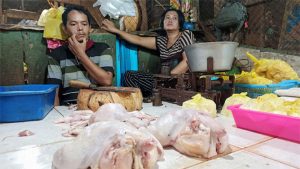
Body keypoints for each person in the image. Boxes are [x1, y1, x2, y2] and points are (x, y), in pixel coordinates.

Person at [101, 8, 195, 99]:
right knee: (129, 76)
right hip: (161, 81)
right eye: (167, 17)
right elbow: (139, 40)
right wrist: (115, 30)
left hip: (179, 81)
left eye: (174, 18)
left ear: (179, 24)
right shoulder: (161, 41)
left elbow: (188, 60)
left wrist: (169, 78)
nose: (170, 20)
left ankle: (156, 95)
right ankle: (146, 97)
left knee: (158, 84)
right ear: (163, 22)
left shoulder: (185, 35)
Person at [47, 5, 114, 106]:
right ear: (64, 28)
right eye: (73, 24)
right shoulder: (57, 54)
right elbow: (54, 94)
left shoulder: (102, 49)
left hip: (100, 106)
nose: (80, 28)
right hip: (69, 108)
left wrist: (81, 55)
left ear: (90, 28)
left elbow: (107, 80)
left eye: (84, 24)